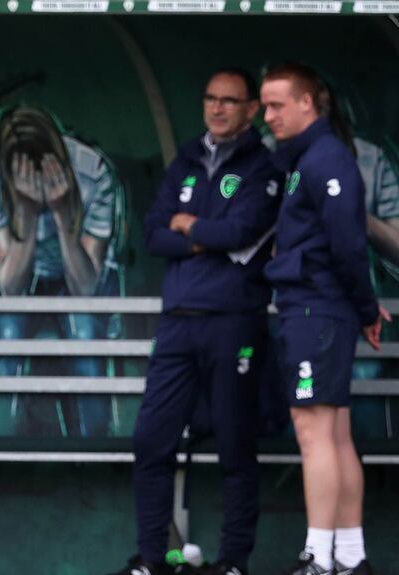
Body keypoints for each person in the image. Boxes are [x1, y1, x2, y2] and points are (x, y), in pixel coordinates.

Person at [106, 69, 282, 575]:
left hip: (234, 321)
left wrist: (193, 228)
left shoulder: (264, 166)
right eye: (210, 98)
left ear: (251, 109)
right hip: (178, 322)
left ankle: (232, 563)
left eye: (230, 101)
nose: (218, 108)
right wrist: (207, 235)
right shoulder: (185, 157)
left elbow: (245, 230)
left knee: (234, 445)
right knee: (151, 440)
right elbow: (154, 234)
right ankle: (151, 560)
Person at [261, 62, 390, 575]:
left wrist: (362, 307)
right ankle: (351, 558)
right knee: (333, 435)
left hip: (316, 309)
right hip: (318, 307)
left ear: (307, 103)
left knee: (315, 433)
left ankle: (318, 557)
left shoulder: (325, 159)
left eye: (276, 105)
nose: (267, 115)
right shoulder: (307, 157)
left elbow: (347, 245)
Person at [0, 104, 125, 437]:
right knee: (8, 336)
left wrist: (63, 217)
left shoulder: (92, 171)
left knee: (84, 336)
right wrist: (24, 212)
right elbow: (10, 286)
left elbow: (86, 287)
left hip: (82, 268)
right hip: (13, 266)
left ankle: (95, 450)